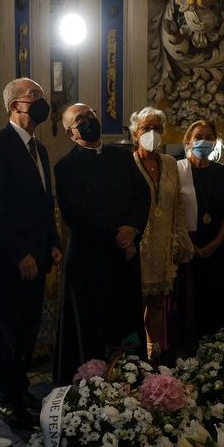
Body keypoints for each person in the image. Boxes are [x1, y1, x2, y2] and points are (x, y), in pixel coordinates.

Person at [0, 78, 62, 428]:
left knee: (28, 328)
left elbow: (45, 203)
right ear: (15, 106)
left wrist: (53, 242)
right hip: (10, 261)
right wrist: (19, 254)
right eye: (34, 96)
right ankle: (5, 397)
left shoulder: (39, 149)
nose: (41, 101)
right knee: (9, 331)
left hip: (38, 256)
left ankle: (21, 386)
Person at [53, 102, 150, 384]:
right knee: (90, 329)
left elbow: (141, 196)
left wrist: (133, 229)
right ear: (71, 134)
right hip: (89, 261)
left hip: (126, 257)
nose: (87, 121)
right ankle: (91, 385)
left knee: (126, 322)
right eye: (79, 120)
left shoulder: (122, 157)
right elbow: (77, 214)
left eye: (90, 115)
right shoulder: (65, 167)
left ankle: (130, 379)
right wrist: (117, 237)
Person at [128, 106, 192, 362]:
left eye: (156, 128)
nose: (151, 133)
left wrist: (178, 239)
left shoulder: (170, 163)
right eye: (146, 128)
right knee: (135, 303)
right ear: (135, 133)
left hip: (163, 244)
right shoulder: (127, 163)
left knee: (157, 303)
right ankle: (134, 356)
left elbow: (176, 206)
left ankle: (155, 352)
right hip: (138, 245)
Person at [175, 119, 224, 346]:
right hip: (187, 247)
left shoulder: (222, 171)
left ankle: (214, 351)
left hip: (214, 246)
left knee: (213, 300)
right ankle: (187, 351)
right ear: (189, 141)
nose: (204, 141)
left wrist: (217, 241)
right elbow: (173, 211)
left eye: (209, 137)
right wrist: (189, 244)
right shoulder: (178, 169)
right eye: (199, 137)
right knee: (188, 302)